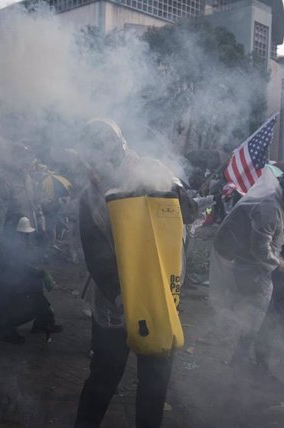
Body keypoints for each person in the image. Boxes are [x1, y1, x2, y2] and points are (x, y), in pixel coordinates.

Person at [74, 118, 197, 428]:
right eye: (95, 150)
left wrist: (179, 198)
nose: (102, 157)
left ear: (120, 146)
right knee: (103, 378)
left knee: (154, 384)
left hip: (158, 294)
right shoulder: (89, 197)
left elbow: (189, 212)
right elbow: (96, 257)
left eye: (107, 148)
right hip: (114, 301)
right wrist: (120, 295)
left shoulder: (152, 172)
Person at [208, 163, 284, 367]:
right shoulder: (270, 208)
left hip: (256, 265)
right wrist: (282, 265)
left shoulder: (279, 202)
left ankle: (247, 361)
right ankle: (241, 363)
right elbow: (260, 250)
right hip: (250, 266)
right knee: (258, 316)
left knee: (262, 316)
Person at [0, 217, 63, 344]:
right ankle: (5, 327)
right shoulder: (7, 248)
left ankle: (43, 322)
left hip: (11, 286)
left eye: (26, 235)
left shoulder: (15, 246)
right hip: (3, 292)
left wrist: (41, 273)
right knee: (34, 301)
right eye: (23, 234)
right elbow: (15, 267)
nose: (26, 238)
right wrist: (40, 273)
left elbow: (23, 267)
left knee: (36, 288)